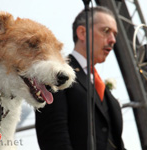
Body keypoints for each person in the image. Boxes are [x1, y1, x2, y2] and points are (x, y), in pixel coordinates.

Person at [35, 6, 126, 150]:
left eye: (115, 34)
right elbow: (54, 137)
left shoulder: (100, 85)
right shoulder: (57, 73)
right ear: (82, 33)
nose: (113, 40)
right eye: (106, 31)